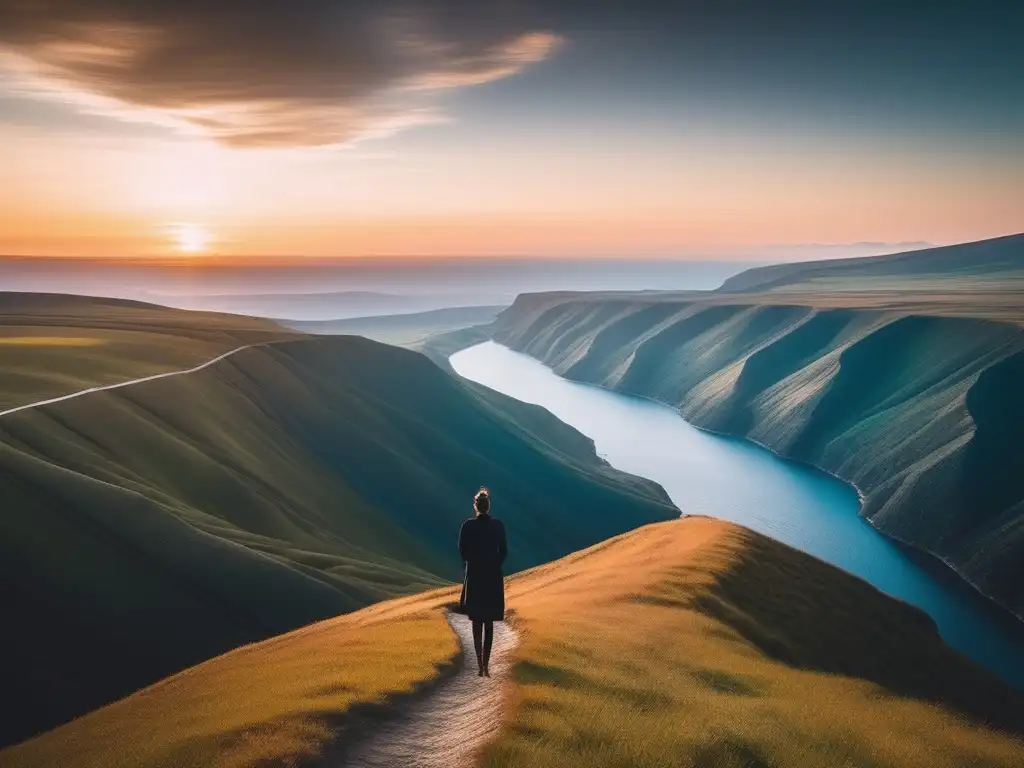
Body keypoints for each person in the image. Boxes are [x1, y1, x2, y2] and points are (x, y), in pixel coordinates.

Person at [458, 487, 507, 677]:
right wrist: (495, 565)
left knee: (476, 620)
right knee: (489, 621)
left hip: (476, 576)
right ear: (488, 506)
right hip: (493, 577)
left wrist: (472, 564)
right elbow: (504, 550)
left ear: (475, 506)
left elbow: (462, 550)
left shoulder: (468, 526)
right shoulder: (498, 525)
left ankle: (479, 664)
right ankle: (486, 664)